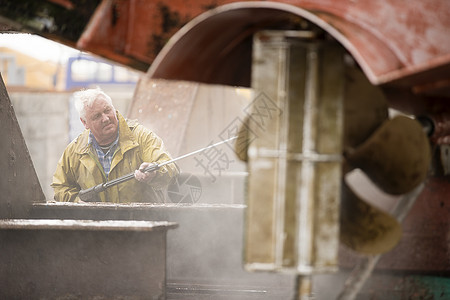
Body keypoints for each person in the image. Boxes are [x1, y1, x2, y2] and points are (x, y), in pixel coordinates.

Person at [51, 87, 179, 203]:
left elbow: (169, 166)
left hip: (141, 224)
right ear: (84, 123)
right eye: (97, 116)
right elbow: (60, 187)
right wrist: (78, 202)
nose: (106, 118)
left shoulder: (141, 137)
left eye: (107, 110)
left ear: (113, 108)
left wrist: (155, 172)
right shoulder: (75, 151)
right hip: (97, 226)